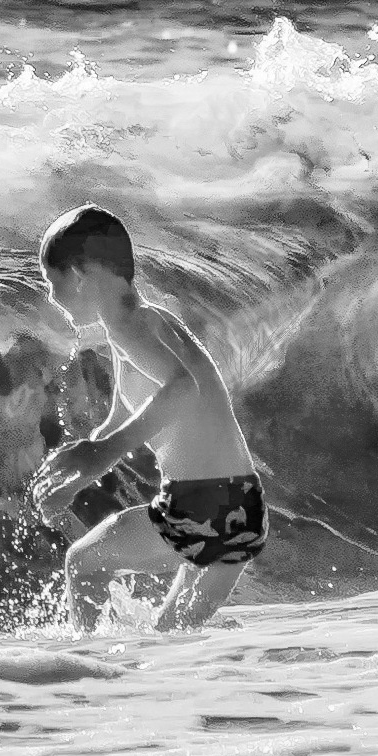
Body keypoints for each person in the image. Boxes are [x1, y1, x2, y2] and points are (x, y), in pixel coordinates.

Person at [28, 204, 266, 632]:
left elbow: (182, 388)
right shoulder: (148, 324)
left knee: (82, 563)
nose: (51, 297)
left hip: (201, 504)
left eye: (53, 281)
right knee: (170, 640)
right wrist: (76, 477)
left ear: (81, 274)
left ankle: (89, 669)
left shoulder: (130, 327)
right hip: (242, 509)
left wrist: (102, 452)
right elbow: (123, 418)